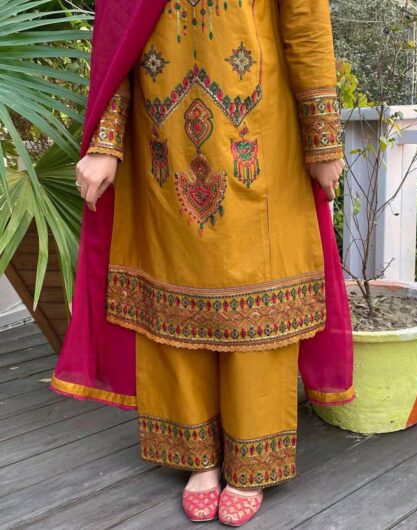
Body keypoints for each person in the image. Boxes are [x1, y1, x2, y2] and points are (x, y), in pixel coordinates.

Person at [50, 0, 355, 525]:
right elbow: (119, 36)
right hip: (160, 136)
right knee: (170, 285)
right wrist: (104, 141)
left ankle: (252, 462)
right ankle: (199, 460)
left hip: (259, 134)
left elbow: (306, 26)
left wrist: (323, 141)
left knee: (259, 288)